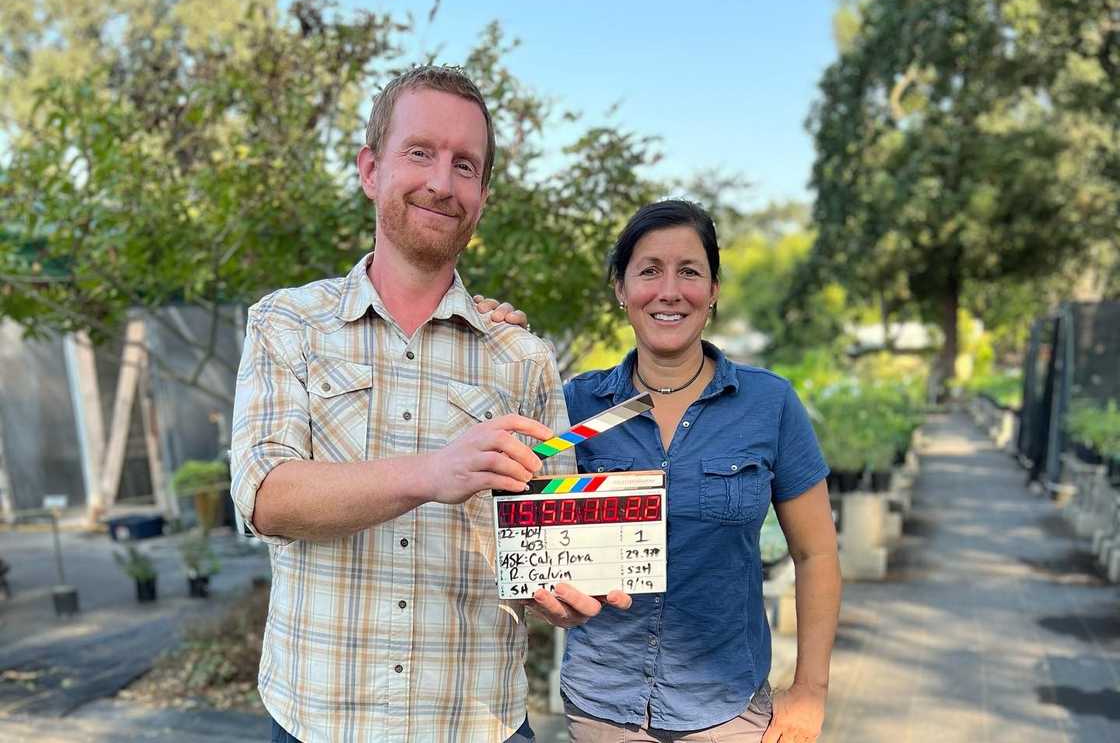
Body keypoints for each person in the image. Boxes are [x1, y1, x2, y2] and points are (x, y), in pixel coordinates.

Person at [230, 65, 629, 743]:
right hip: (320, 721)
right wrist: (434, 472)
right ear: (369, 169)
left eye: (465, 165)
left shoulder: (521, 357)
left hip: (477, 723)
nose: (442, 182)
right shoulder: (288, 324)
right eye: (420, 153)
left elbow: (540, 538)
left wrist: (559, 584)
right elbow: (265, 496)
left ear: (482, 196)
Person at [478, 199, 841, 743]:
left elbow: (817, 554)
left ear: (713, 291)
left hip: (728, 714)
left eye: (689, 272)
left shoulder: (770, 404)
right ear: (621, 289)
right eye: (649, 271)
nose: (669, 291)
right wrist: (492, 337)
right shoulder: (572, 403)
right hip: (601, 709)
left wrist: (810, 691)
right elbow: (505, 505)